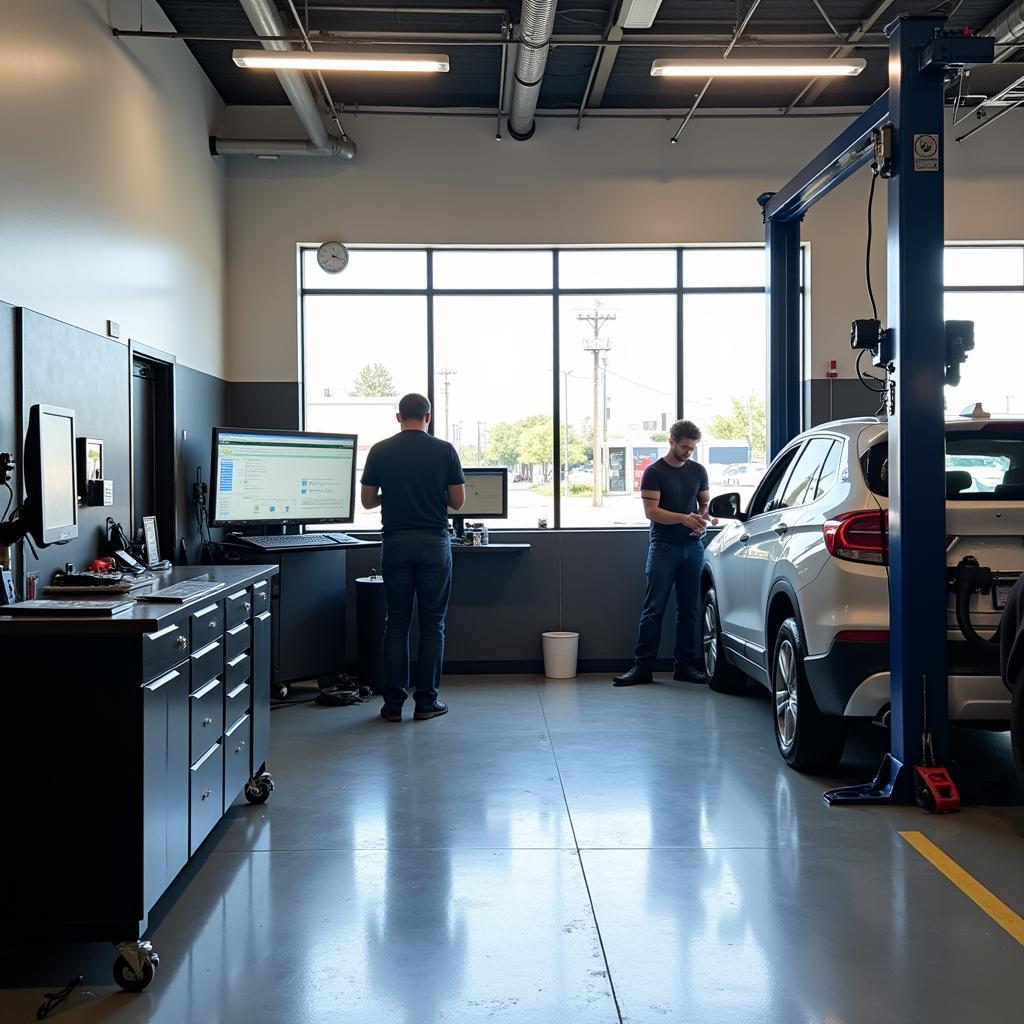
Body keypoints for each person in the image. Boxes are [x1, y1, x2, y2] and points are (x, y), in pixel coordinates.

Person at [361, 393, 466, 722]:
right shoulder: (445, 450)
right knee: (433, 624)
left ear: (398, 417)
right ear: (428, 417)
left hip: (395, 543)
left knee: (397, 625)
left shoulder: (380, 450)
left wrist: (393, 492)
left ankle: (392, 706)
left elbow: (367, 501)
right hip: (434, 543)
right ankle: (426, 703)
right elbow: (458, 502)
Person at [613, 419, 712, 687]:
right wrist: (684, 518)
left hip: (693, 548)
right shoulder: (654, 472)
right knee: (654, 609)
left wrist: (703, 520)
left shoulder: (698, 470)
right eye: (684, 447)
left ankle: (685, 666)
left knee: (690, 609)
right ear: (671, 441)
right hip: (663, 549)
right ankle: (643, 667)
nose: (688, 452)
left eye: (692, 448)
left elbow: (705, 504)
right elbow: (651, 512)